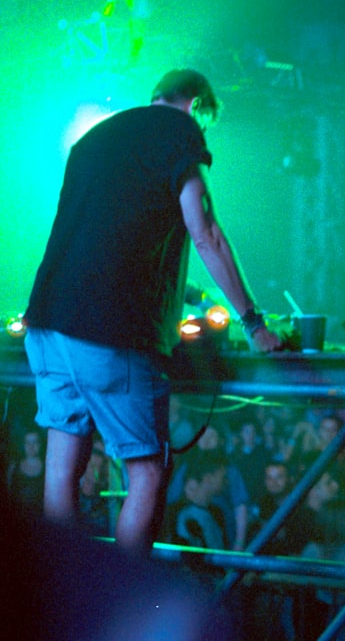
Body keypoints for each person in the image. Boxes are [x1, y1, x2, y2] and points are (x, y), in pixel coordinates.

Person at [23, 68, 281, 556]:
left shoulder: (97, 136)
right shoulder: (180, 130)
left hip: (49, 321)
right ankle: (124, 609)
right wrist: (253, 322)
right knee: (145, 470)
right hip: (108, 332)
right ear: (199, 106)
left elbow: (102, 233)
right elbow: (206, 233)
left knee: (62, 468)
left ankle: (60, 606)